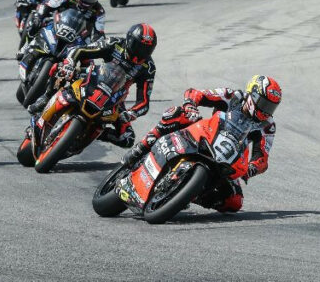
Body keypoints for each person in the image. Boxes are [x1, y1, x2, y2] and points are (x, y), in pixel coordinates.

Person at [121, 75, 283, 213]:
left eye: (271, 107)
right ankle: (142, 147)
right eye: (264, 103)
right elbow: (196, 93)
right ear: (252, 95)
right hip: (205, 135)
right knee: (178, 113)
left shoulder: (267, 126)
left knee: (235, 202)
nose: (266, 110)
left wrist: (253, 167)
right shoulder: (232, 96)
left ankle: (187, 195)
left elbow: (262, 156)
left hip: (228, 158)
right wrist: (191, 105)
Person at [26, 24, 157, 153]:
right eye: (137, 46)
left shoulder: (148, 67)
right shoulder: (114, 43)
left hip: (115, 97)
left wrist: (130, 113)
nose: (140, 53)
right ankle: (47, 97)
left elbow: (144, 102)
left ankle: (93, 134)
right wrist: (69, 63)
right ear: (129, 40)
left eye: (146, 50)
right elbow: (80, 50)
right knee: (59, 68)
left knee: (127, 139)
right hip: (94, 77)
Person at [22, 0, 105, 46]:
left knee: (88, 55)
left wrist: (98, 41)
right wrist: (39, 17)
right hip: (59, 24)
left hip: (79, 35)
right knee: (36, 24)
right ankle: (26, 46)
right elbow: (48, 4)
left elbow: (99, 31)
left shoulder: (99, 11)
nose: (88, 1)